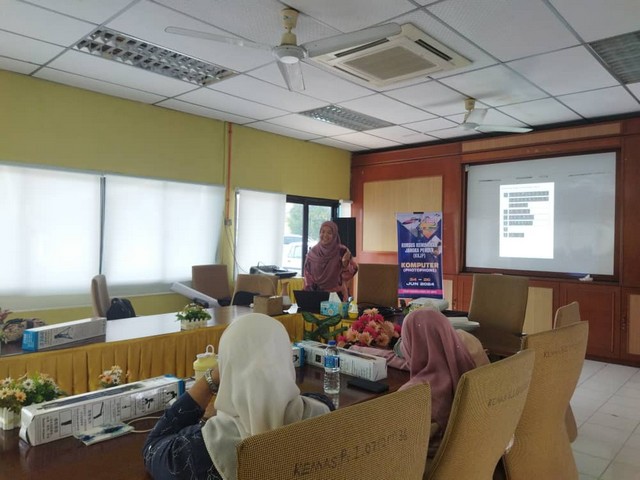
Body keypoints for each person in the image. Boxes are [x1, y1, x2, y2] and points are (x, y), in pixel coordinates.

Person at [143, 313, 334, 480]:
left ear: (226, 369)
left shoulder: (197, 451)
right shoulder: (324, 413)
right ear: (286, 360)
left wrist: (211, 378)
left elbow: (153, 446)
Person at [349, 308, 487, 451]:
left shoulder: (415, 394)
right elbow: (408, 361)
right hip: (475, 450)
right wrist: (359, 350)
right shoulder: (463, 349)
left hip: (427, 459)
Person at [303, 220, 357, 300]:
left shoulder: (342, 251)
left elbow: (354, 269)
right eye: (322, 232)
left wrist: (345, 265)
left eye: (329, 233)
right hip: (316, 294)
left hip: (337, 296)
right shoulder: (312, 252)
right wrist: (309, 293)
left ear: (334, 235)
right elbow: (307, 274)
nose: (325, 235)